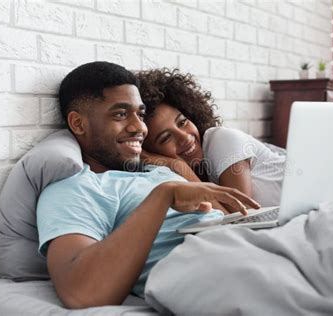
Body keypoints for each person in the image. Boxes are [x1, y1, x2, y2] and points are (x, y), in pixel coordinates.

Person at [36, 61, 260, 309]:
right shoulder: (76, 187)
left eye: (140, 115)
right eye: (120, 114)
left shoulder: (158, 170)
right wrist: (163, 196)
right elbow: (80, 292)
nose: (139, 127)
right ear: (78, 124)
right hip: (221, 267)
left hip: (258, 245)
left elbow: (236, 218)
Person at [133, 68, 287, 206]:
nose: (185, 137)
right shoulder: (194, 172)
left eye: (182, 122)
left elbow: (241, 215)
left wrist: (181, 168)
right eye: (166, 138)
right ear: (152, 152)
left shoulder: (221, 139)